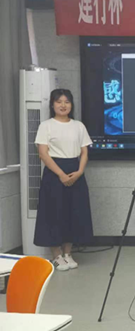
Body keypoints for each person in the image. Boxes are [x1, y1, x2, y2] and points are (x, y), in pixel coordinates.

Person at [34, 89, 94, 271]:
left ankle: (68, 253)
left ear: (71, 105)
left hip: (76, 171)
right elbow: (43, 153)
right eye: (59, 101)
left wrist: (80, 171)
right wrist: (60, 174)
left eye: (67, 102)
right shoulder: (46, 126)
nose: (63, 105)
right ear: (52, 105)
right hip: (54, 173)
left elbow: (84, 152)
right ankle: (56, 256)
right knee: (53, 213)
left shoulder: (79, 126)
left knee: (73, 212)